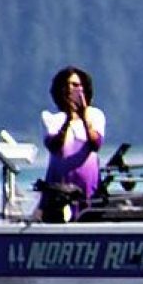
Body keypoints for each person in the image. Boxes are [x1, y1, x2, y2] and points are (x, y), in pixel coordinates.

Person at [39, 65, 105, 220]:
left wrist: (83, 117)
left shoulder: (95, 115)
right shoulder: (51, 118)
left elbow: (96, 144)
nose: (70, 89)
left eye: (75, 85)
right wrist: (68, 119)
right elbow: (54, 146)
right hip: (58, 189)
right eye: (66, 85)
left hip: (88, 187)